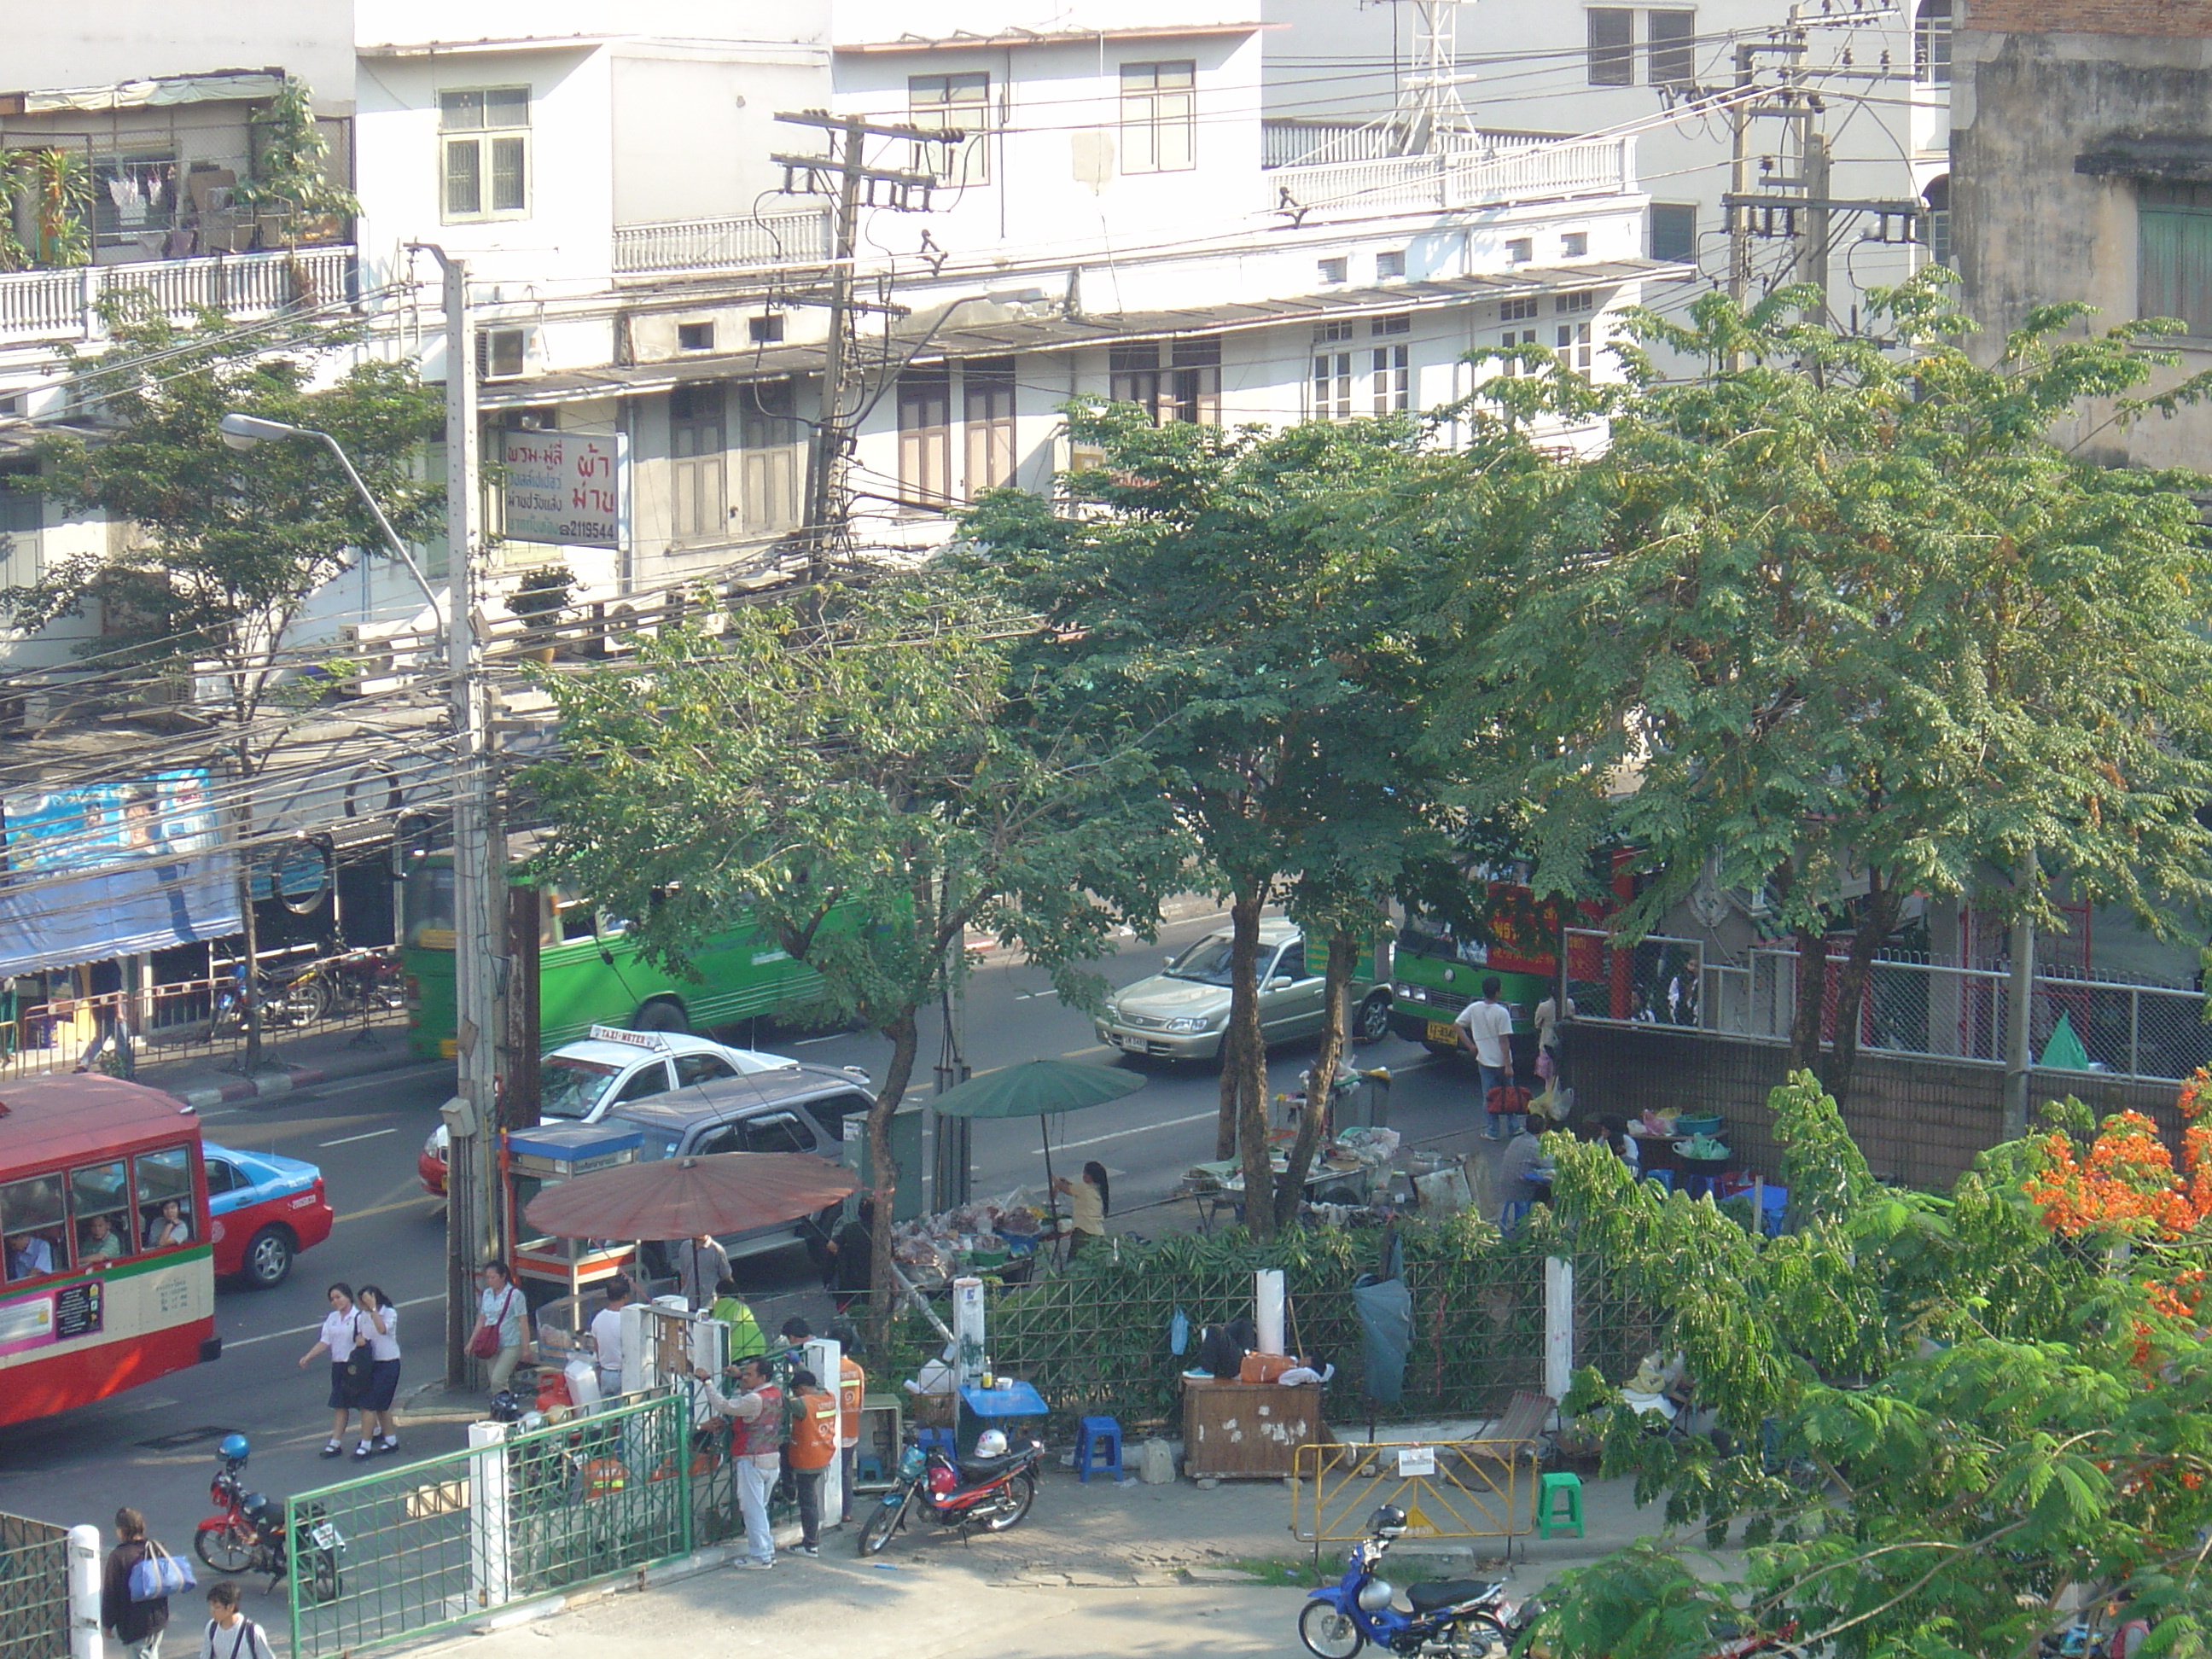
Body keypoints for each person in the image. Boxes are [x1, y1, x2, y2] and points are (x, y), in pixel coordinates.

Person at [686, 1355, 782, 1569]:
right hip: (771, 1458)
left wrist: (707, 1381)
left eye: (749, 1374)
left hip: (752, 1459)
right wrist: (740, 1377)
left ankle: (761, 1557)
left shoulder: (753, 1400)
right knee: (760, 1509)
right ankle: (767, 1551)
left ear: (762, 1377)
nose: (744, 1378)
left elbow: (723, 1405)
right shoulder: (775, 1393)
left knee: (752, 1510)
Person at [298, 1283, 369, 1458]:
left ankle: (373, 1434)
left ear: (348, 1296)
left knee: (363, 1404)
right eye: (332, 1299)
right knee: (340, 1404)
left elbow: (367, 1341)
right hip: (338, 1366)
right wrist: (308, 1356)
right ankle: (335, 1443)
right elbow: (325, 1341)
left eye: (338, 1297)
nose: (336, 1302)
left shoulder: (359, 1317)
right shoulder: (332, 1318)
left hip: (355, 1366)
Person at [784, 1367, 840, 1557]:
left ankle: (810, 1544)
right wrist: (799, 1364)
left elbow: (779, 1400)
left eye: (796, 1391)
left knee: (808, 1503)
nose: (795, 1395)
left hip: (806, 1458)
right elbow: (815, 1383)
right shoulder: (828, 1396)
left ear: (801, 1389)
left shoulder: (802, 1404)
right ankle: (789, 1491)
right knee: (811, 1499)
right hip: (823, 1454)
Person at [100, 1506, 168, 1659]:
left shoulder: (118, 1556)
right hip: (158, 1619)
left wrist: (107, 1623)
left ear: (122, 1530)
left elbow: (111, 1593)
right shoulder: (155, 1547)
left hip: (134, 1624)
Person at [1453, 977, 1516, 1138]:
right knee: (1508, 1094)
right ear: (1497, 993)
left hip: (1484, 1060)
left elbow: (1457, 1025)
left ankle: (1493, 1130)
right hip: (1501, 1062)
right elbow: (1504, 1041)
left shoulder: (1474, 1008)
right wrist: (1508, 1066)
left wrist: (1471, 1046)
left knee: (1489, 1097)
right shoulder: (1502, 1013)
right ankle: (1513, 1127)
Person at [354, 1284, 403, 1457]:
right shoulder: (362, 1317)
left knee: (370, 1404)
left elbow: (382, 1330)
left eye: (366, 1300)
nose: (363, 1304)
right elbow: (360, 1336)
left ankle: (366, 1445)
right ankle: (390, 1440)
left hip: (389, 1363)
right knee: (381, 1405)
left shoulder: (389, 1313)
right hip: (371, 1363)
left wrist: (374, 1309)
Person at [828, 1321, 868, 1524]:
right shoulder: (857, 1370)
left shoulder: (828, 1369)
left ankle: (828, 1511)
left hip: (828, 1431)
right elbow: (860, 1404)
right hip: (851, 1430)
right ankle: (846, 1511)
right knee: (845, 1473)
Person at [471, 1260, 529, 1394]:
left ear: (503, 1277)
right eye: (488, 1278)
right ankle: (502, 1408)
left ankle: (505, 1407)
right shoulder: (487, 1294)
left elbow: (523, 1321)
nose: (490, 1281)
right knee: (495, 1382)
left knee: (498, 1379)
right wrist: (472, 1341)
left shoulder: (515, 1295)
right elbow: (482, 1319)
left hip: (510, 1343)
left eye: (493, 1277)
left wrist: (526, 1348)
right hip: (491, 1343)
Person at [197, 1582, 276, 1659]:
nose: (212, 1610)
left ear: (231, 1607)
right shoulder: (211, 1627)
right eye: (210, 1606)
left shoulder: (252, 1631)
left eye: (217, 1607)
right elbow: (205, 1655)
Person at [821, 1200, 873, 1314]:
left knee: (851, 1313)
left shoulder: (850, 1229)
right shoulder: (880, 1232)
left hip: (850, 1281)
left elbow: (831, 1246)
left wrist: (842, 1255)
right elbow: (891, 1261)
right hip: (872, 1283)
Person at [1498, 1117, 1549, 1232]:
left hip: (1505, 1186)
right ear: (1543, 1129)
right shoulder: (1535, 1146)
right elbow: (1549, 1163)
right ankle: (1537, 1225)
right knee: (1546, 1191)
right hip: (1520, 1190)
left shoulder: (1516, 1140)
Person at [1053, 1161, 1109, 1256]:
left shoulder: (1083, 1188)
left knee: (1074, 1263)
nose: (1083, 1175)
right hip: (1098, 1233)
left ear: (1089, 1177)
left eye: (1084, 1173)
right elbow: (1074, 1189)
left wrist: (1053, 1178)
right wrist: (1068, 1183)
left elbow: (1063, 1188)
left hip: (1084, 1233)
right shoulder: (1098, 1188)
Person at [707, 1276, 767, 1362]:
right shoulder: (742, 1305)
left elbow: (714, 1326)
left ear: (719, 1293)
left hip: (739, 1351)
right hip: (758, 1346)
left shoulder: (722, 1303)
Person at [591, 1276, 633, 1398]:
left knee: (609, 1414)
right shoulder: (627, 1321)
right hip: (624, 1374)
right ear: (625, 1296)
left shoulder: (598, 1319)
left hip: (606, 1374)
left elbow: (597, 1348)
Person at [671, 1231, 730, 1311]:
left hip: (709, 1305)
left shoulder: (717, 1250)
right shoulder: (685, 1247)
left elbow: (726, 1277)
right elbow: (683, 1276)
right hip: (688, 1304)